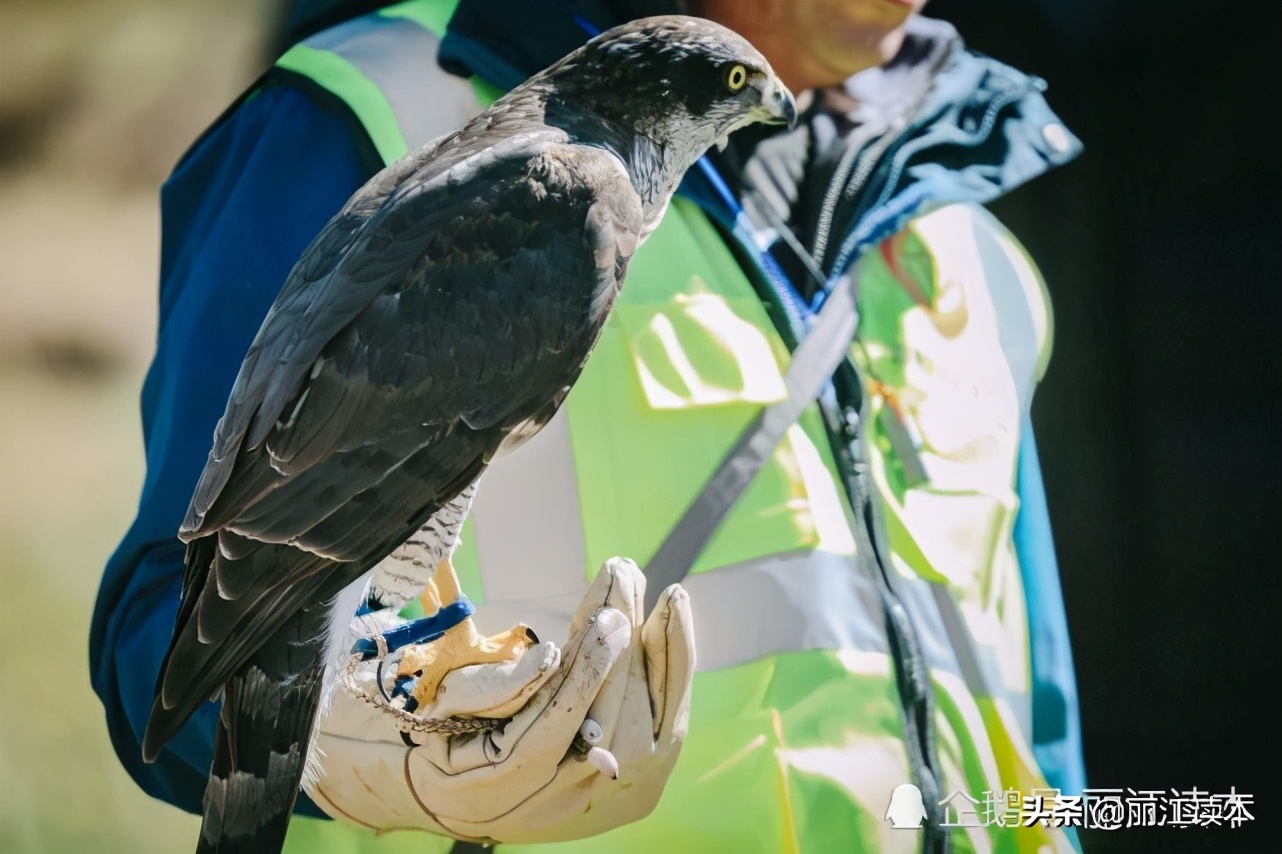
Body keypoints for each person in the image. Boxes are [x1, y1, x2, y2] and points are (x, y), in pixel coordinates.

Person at [90, 0, 1087, 851]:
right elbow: (167, 631)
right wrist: (354, 733)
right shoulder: (371, 116)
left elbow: (1032, 716)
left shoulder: (963, 219)